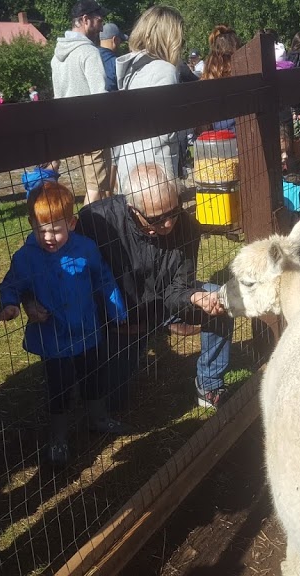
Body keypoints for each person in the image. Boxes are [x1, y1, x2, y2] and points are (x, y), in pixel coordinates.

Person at [77, 163, 233, 410]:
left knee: (220, 301)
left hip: (164, 304)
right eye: (156, 219)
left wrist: (195, 296)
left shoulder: (187, 226)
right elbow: (80, 280)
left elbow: (179, 285)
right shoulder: (96, 222)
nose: (169, 224)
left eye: (173, 211)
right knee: (112, 401)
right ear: (132, 209)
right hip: (118, 317)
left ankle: (209, 385)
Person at [0, 182, 127, 466]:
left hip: (87, 332)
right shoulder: (26, 257)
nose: (48, 237)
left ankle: (98, 417)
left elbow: (103, 278)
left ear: (72, 222)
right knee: (59, 387)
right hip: (53, 339)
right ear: (31, 223)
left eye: (56, 229)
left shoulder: (86, 249)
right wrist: (9, 304)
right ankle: (58, 437)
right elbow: (12, 284)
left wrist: (116, 307)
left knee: (92, 376)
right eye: (40, 229)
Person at [114, 6, 188, 188]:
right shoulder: (165, 70)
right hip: (155, 171)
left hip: (131, 166)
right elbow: (166, 129)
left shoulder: (134, 69)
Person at [52, 0, 111, 204]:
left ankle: (102, 232)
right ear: (85, 20)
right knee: (95, 189)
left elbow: (57, 96)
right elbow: (100, 96)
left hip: (72, 130)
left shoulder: (57, 56)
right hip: (93, 130)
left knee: (96, 186)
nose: (102, 27)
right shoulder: (89, 52)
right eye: (99, 21)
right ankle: (82, 230)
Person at [98, 22, 126, 92]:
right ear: (115, 40)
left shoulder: (91, 58)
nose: (120, 44)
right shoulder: (116, 64)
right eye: (121, 41)